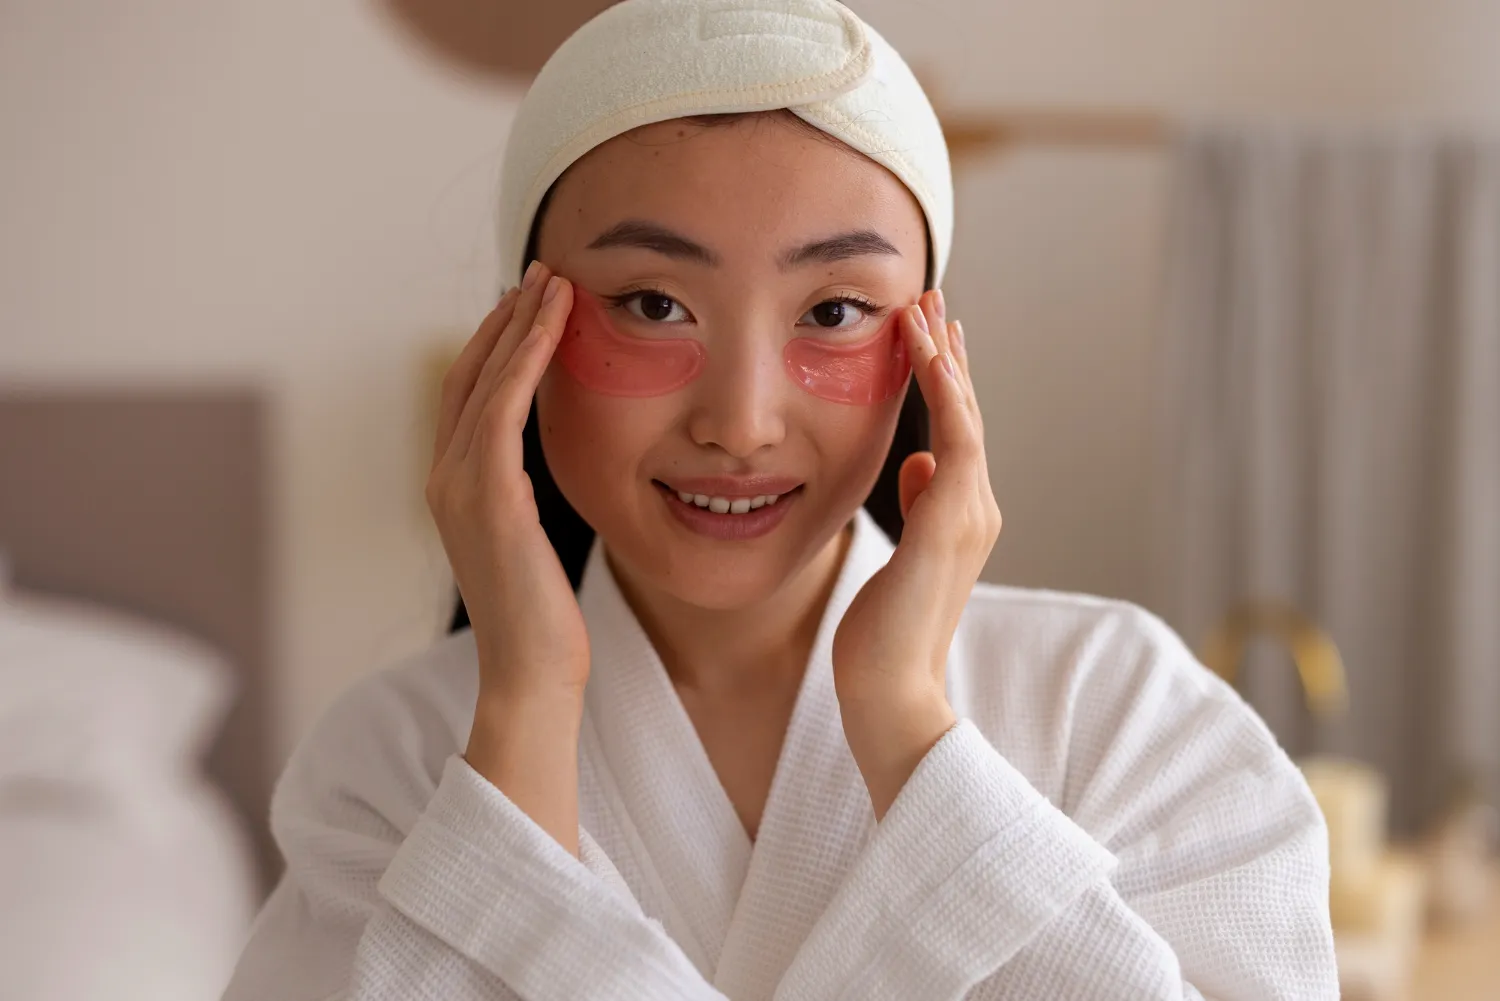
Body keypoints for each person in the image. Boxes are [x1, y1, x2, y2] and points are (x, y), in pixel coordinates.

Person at [223, 2, 1338, 998]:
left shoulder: (1121, 710)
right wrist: (524, 713)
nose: (742, 421)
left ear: (927, 346)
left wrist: (907, 725)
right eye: (652, 303)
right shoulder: (392, 762)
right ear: (521, 334)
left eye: (836, 311)